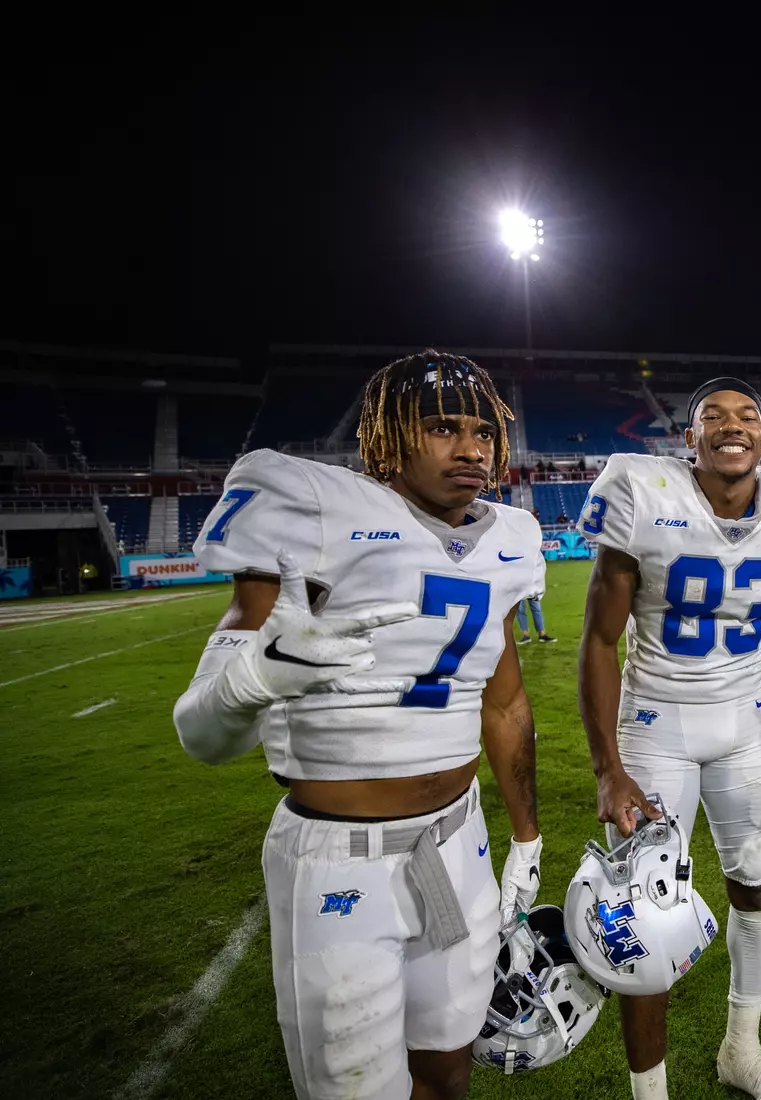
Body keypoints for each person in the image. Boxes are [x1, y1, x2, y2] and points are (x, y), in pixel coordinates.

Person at [174, 351, 547, 1100]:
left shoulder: (512, 534)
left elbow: (503, 701)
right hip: (338, 862)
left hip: (458, 843)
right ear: (387, 435)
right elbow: (203, 735)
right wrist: (255, 678)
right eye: (443, 428)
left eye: (482, 431)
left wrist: (528, 838)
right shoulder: (313, 506)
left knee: (448, 1067)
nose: (471, 449)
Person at [577, 377, 761, 1100]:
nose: (733, 426)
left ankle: (742, 1052)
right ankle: (650, 1094)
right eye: (713, 417)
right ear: (687, 438)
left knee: (754, 889)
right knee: (643, 911)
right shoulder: (640, 488)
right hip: (655, 725)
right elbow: (600, 641)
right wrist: (608, 767)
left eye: (749, 416)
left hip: (744, 722)